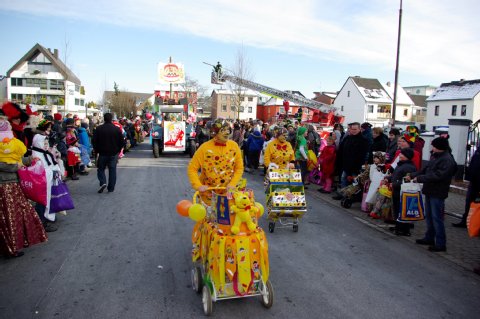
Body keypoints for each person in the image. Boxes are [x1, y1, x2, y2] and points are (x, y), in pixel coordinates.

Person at [0, 117, 47, 257]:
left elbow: (17, 160)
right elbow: (7, 164)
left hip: (13, 184)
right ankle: (10, 248)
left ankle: (15, 244)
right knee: (9, 217)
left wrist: (30, 160)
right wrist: (16, 166)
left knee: (17, 214)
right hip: (4, 186)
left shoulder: (12, 143)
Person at [409, 137, 457, 252]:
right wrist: (412, 175)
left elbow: (438, 175)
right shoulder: (436, 156)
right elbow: (425, 169)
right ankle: (429, 237)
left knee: (437, 218)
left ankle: (440, 243)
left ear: (440, 147)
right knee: (429, 216)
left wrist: (419, 178)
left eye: (434, 146)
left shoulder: (447, 160)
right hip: (430, 190)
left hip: (438, 192)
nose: (432, 148)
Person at [187, 118, 243, 203]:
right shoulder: (204, 148)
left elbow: (239, 168)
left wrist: (233, 183)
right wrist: (198, 186)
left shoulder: (234, 146)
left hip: (228, 193)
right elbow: (192, 169)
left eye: (228, 130)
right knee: (209, 216)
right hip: (208, 194)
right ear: (215, 132)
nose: (227, 132)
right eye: (223, 130)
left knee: (229, 215)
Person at [384, 148, 417, 235]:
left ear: (407, 156)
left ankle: (404, 230)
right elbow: (396, 176)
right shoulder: (401, 165)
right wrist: (388, 179)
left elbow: (406, 182)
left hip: (403, 192)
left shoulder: (409, 167)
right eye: (400, 154)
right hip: (397, 191)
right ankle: (398, 226)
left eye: (402, 154)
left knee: (402, 210)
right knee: (397, 209)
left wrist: (394, 184)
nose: (400, 155)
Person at [333, 122, 369, 199]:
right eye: (352, 129)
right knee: (343, 180)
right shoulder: (348, 138)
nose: (353, 131)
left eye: (355, 129)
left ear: (359, 129)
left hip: (356, 166)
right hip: (346, 164)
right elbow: (341, 151)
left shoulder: (363, 140)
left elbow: (362, 155)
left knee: (355, 182)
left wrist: (358, 166)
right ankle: (343, 195)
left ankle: (351, 197)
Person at [92, 113, 125, 193]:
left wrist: (97, 150)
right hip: (113, 153)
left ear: (104, 119)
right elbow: (122, 142)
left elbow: (94, 141)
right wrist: (118, 150)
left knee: (100, 169)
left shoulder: (99, 129)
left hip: (102, 153)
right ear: (111, 119)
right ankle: (111, 188)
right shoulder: (117, 129)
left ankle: (103, 182)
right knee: (112, 170)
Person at [453, 147, 480, 228]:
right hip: (473, 182)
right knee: (469, 203)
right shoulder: (478, 150)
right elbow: (473, 165)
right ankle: (465, 221)